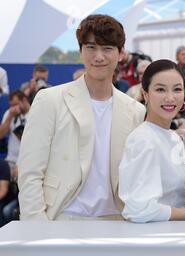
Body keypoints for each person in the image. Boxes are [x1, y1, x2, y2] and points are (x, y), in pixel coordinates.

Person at [17, 14, 146, 221]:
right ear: (81, 51)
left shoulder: (135, 110)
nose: (99, 56)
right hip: (63, 217)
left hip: (117, 221)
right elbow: (30, 172)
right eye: (91, 47)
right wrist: (37, 228)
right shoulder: (50, 100)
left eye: (108, 48)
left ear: (121, 53)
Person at [119, 59, 185, 222]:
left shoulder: (175, 138)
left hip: (178, 235)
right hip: (153, 240)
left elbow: (184, 193)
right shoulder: (142, 140)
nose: (170, 98)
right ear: (145, 94)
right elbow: (138, 210)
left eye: (177, 89)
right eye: (160, 90)